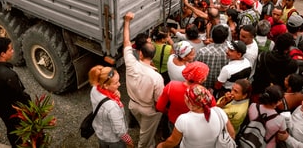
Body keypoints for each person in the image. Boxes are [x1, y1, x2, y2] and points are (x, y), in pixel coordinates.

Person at [123, 12, 164, 148]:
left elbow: (126, 42)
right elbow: (159, 101)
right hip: (148, 109)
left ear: (140, 53)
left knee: (144, 129)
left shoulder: (130, 63)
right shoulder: (157, 77)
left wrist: (127, 21)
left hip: (133, 105)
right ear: (153, 56)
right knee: (144, 139)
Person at [157, 84, 234, 148]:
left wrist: (161, 146)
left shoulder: (184, 119)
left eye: (186, 98)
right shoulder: (219, 111)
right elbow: (232, 134)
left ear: (191, 103)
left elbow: (172, 142)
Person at [156, 61, 213, 134]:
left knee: (174, 138)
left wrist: (169, 112)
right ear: (201, 79)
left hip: (174, 120)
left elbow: (159, 107)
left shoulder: (171, 86)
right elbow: (212, 111)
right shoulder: (205, 94)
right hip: (193, 124)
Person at [88, 65, 134, 147]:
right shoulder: (112, 107)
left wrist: (114, 94)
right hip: (113, 140)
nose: (119, 84)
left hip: (101, 133)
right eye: (116, 83)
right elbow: (119, 130)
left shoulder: (94, 89)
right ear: (106, 86)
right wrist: (128, 140)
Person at [252, 33, 298, 101]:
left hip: (260, 90)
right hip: (276, 94)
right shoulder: (293, 64)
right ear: (287, 49)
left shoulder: (263, 55)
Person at [195, 24, 229, 90]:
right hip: (221, 85)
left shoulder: (202, 52)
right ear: (225, 38)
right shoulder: (229, 52)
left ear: (212, 37)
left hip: (204, 84)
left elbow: (196, 66)